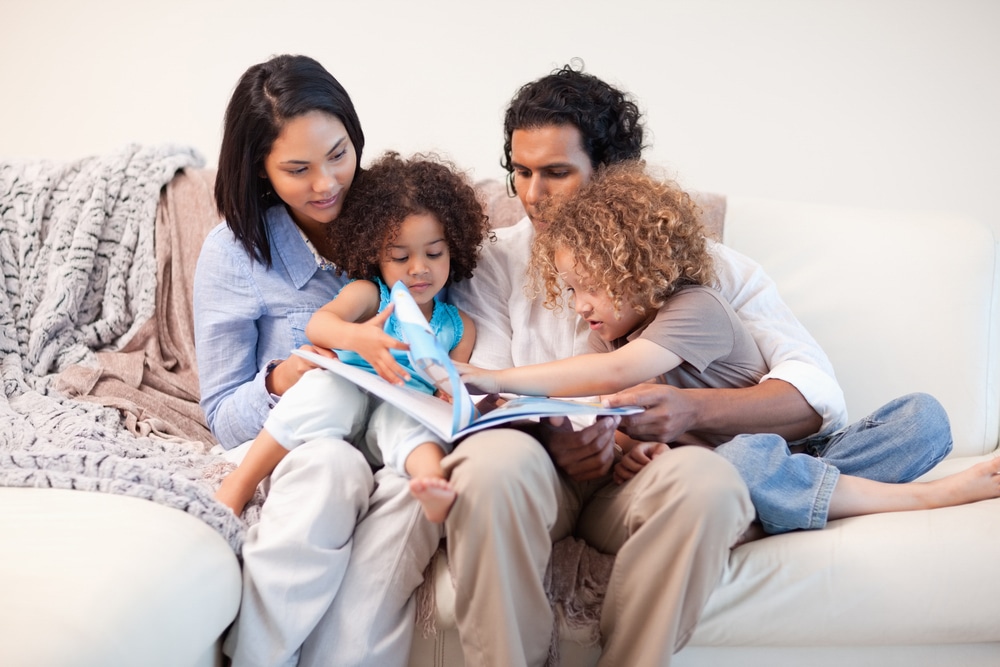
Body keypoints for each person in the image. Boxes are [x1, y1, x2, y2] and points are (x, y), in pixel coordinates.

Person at [444, 62, 952, 666]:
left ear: (613, 174)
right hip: (537, 468)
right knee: (489, 464)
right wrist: (554, 440)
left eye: (556, 173)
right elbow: (488, 397)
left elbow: (813, 395)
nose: (532, 196)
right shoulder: (492, 263)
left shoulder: (700, 269)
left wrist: (687, 412)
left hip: (643, 476)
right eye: (520, 173)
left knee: (718, 480)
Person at [460, 161, 1000, 535]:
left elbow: (612, 374)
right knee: (734, 464)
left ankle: (921, 496)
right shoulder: (614, 330)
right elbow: (628, 421)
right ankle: (793, 501)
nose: (578, 305)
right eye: (571, 289)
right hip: (727, 464)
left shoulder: (697, 309)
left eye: (590, 286)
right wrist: (642, 453)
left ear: (639, 271)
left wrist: (494, 380)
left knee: (921, 418)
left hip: (788, 451)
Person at [193, 56, 440, 667]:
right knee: (332, 466)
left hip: (391, 427)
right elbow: (222, 414)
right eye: (297, 169)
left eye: (338, 154)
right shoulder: (233, 253)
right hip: (298, 441)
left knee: (415, 485)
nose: (327, 183)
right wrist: (285, 375)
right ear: (261, 169)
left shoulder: (394, 217)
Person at [214, 151, 490, 524]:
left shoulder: (459, 326)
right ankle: (240, 482)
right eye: (399, 257)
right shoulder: (371, 295)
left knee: (416, 423)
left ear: (453, 249)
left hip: (400, 411)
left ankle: (432, 483)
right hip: (344, 406)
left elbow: (457, 377)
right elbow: (319, 326)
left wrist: (449, 391)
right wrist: (359, 338)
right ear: (376, 255)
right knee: (322, 390)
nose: (419, 268)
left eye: (434, 253)